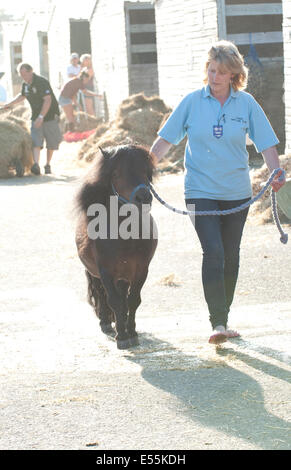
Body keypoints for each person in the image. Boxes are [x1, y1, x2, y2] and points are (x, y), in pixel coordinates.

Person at [150, 40, 286, 345]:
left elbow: (265, 142)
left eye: (221, 72)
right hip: (200, 189)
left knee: (231, 255)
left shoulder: (246, 103)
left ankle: (224, 316)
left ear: (233, 75)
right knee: (213, 251)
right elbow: (165, 141)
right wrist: (144, 166)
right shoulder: (192, 102)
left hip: (236, 191)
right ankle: (218, 322)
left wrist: (276, 170)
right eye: (211, 70)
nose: (214, 77)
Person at [0, 63, 62, 175]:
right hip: (36, 115)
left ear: (31, 71)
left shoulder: (41, 82)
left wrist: (41, 117)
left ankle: (47, 164)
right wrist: (8, 104)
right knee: (35, 141)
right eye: (21, 75)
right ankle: (36, 165)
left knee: (51, 143)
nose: (23, 77)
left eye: (25, 74)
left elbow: (48, 100)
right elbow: (22, 96)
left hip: (49, 115)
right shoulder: (25, 85)